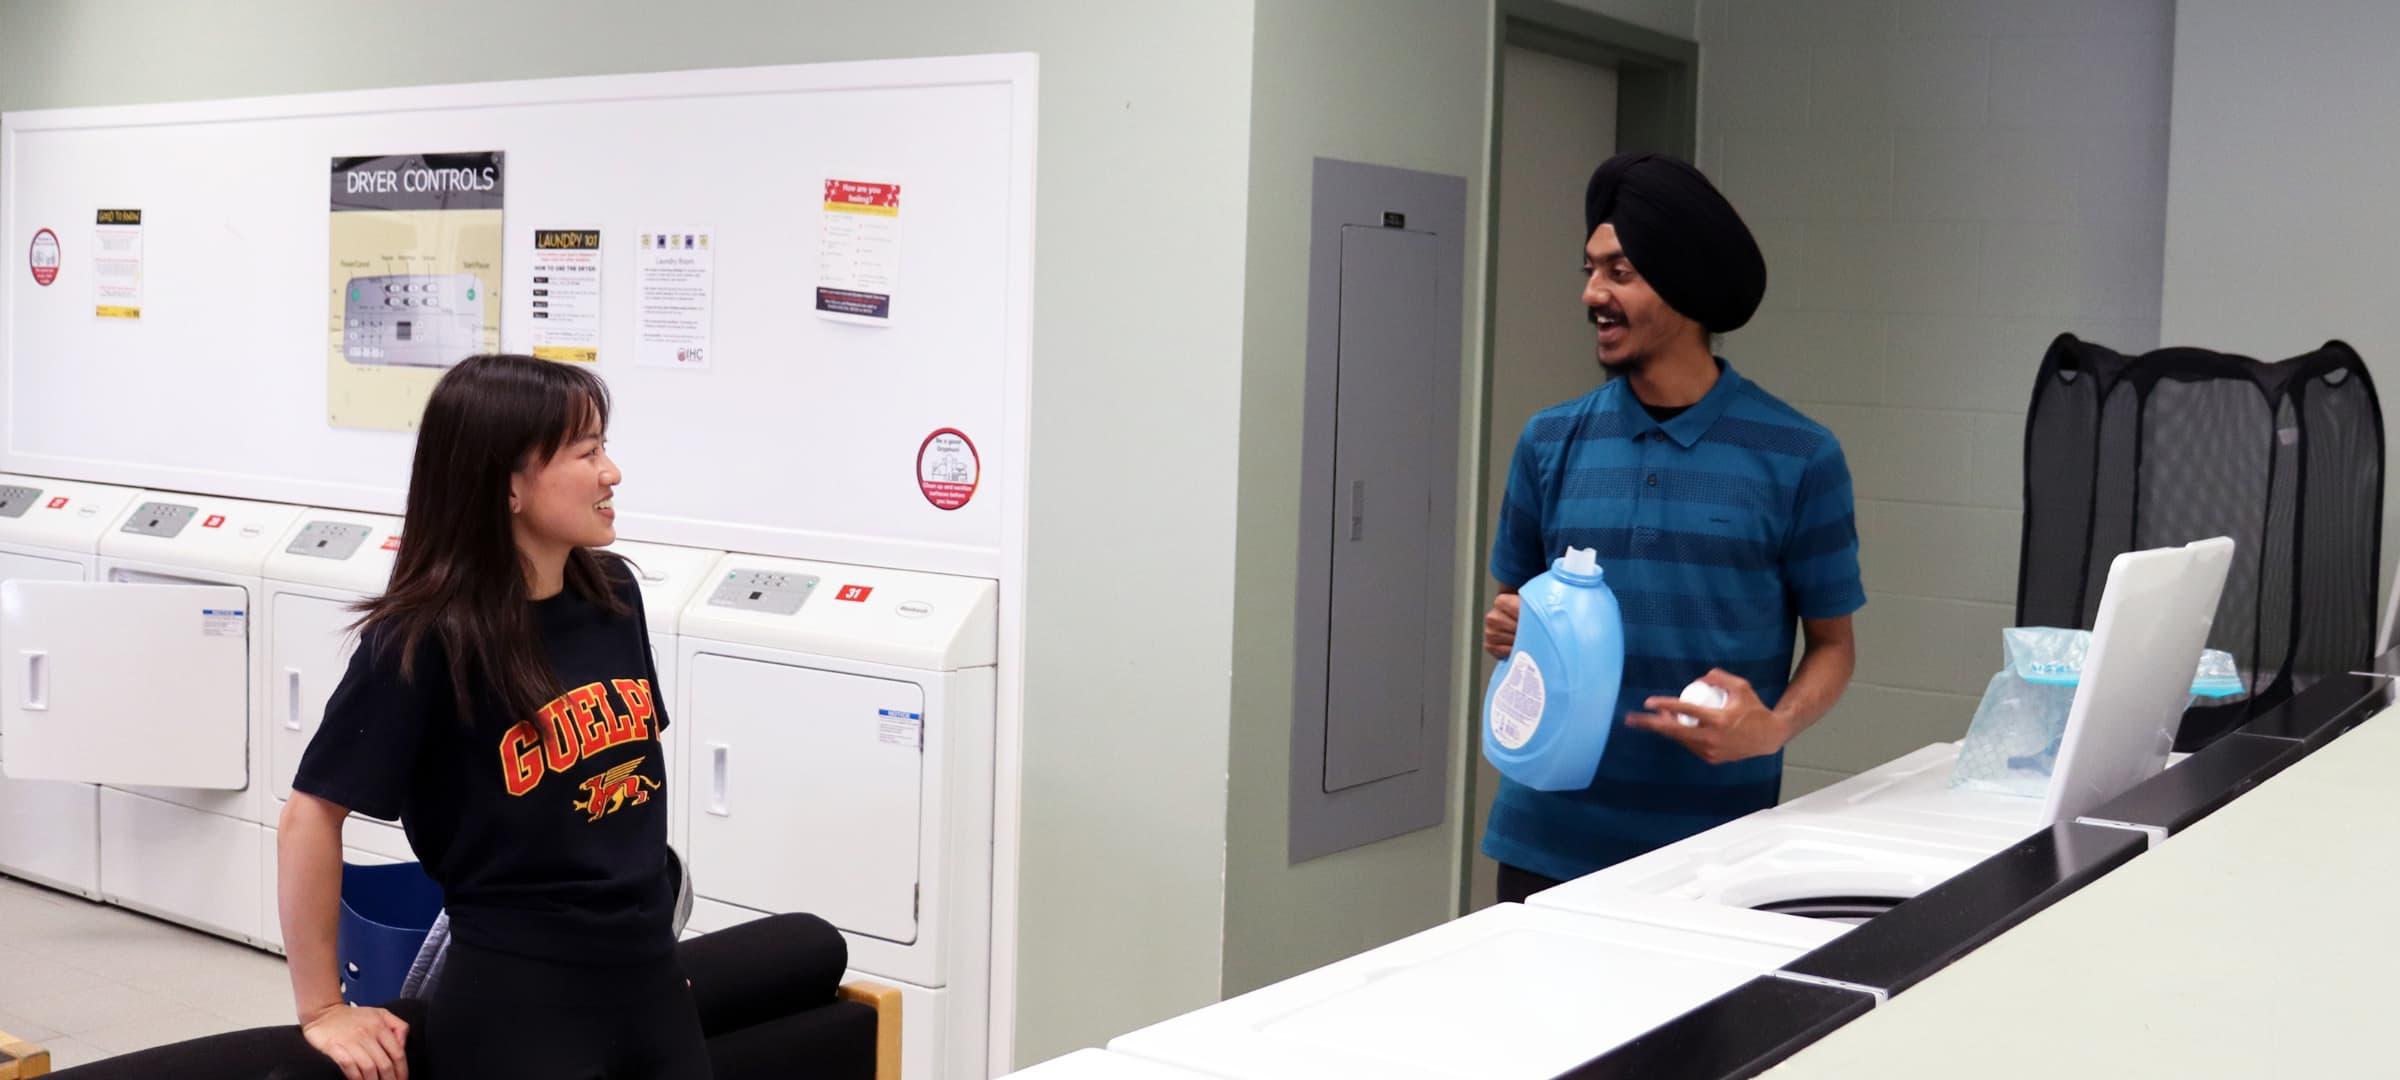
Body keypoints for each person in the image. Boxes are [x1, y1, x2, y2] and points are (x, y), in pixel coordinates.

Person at [276, 354, 706, 1079]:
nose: (612, 473)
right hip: (519, 1000)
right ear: (508, 484)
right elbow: (309, 817)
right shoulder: (423, 639)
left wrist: (647, 969)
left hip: (648, 980)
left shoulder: (612, 594)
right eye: (587, 452)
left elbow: (624, 800)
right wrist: (322, 1008)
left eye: (603, 447)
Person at [1481, 152, 1864, 904]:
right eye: (1590, 270)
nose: (1592, 293)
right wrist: (1510, 626)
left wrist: (1773, 726)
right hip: (1544, 843)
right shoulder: (1549, 440)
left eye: (1619, 273)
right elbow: (1515, 615)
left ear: (1684, 285)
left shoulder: (1799, 456)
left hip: (1716, 856)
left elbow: (1834, 647)